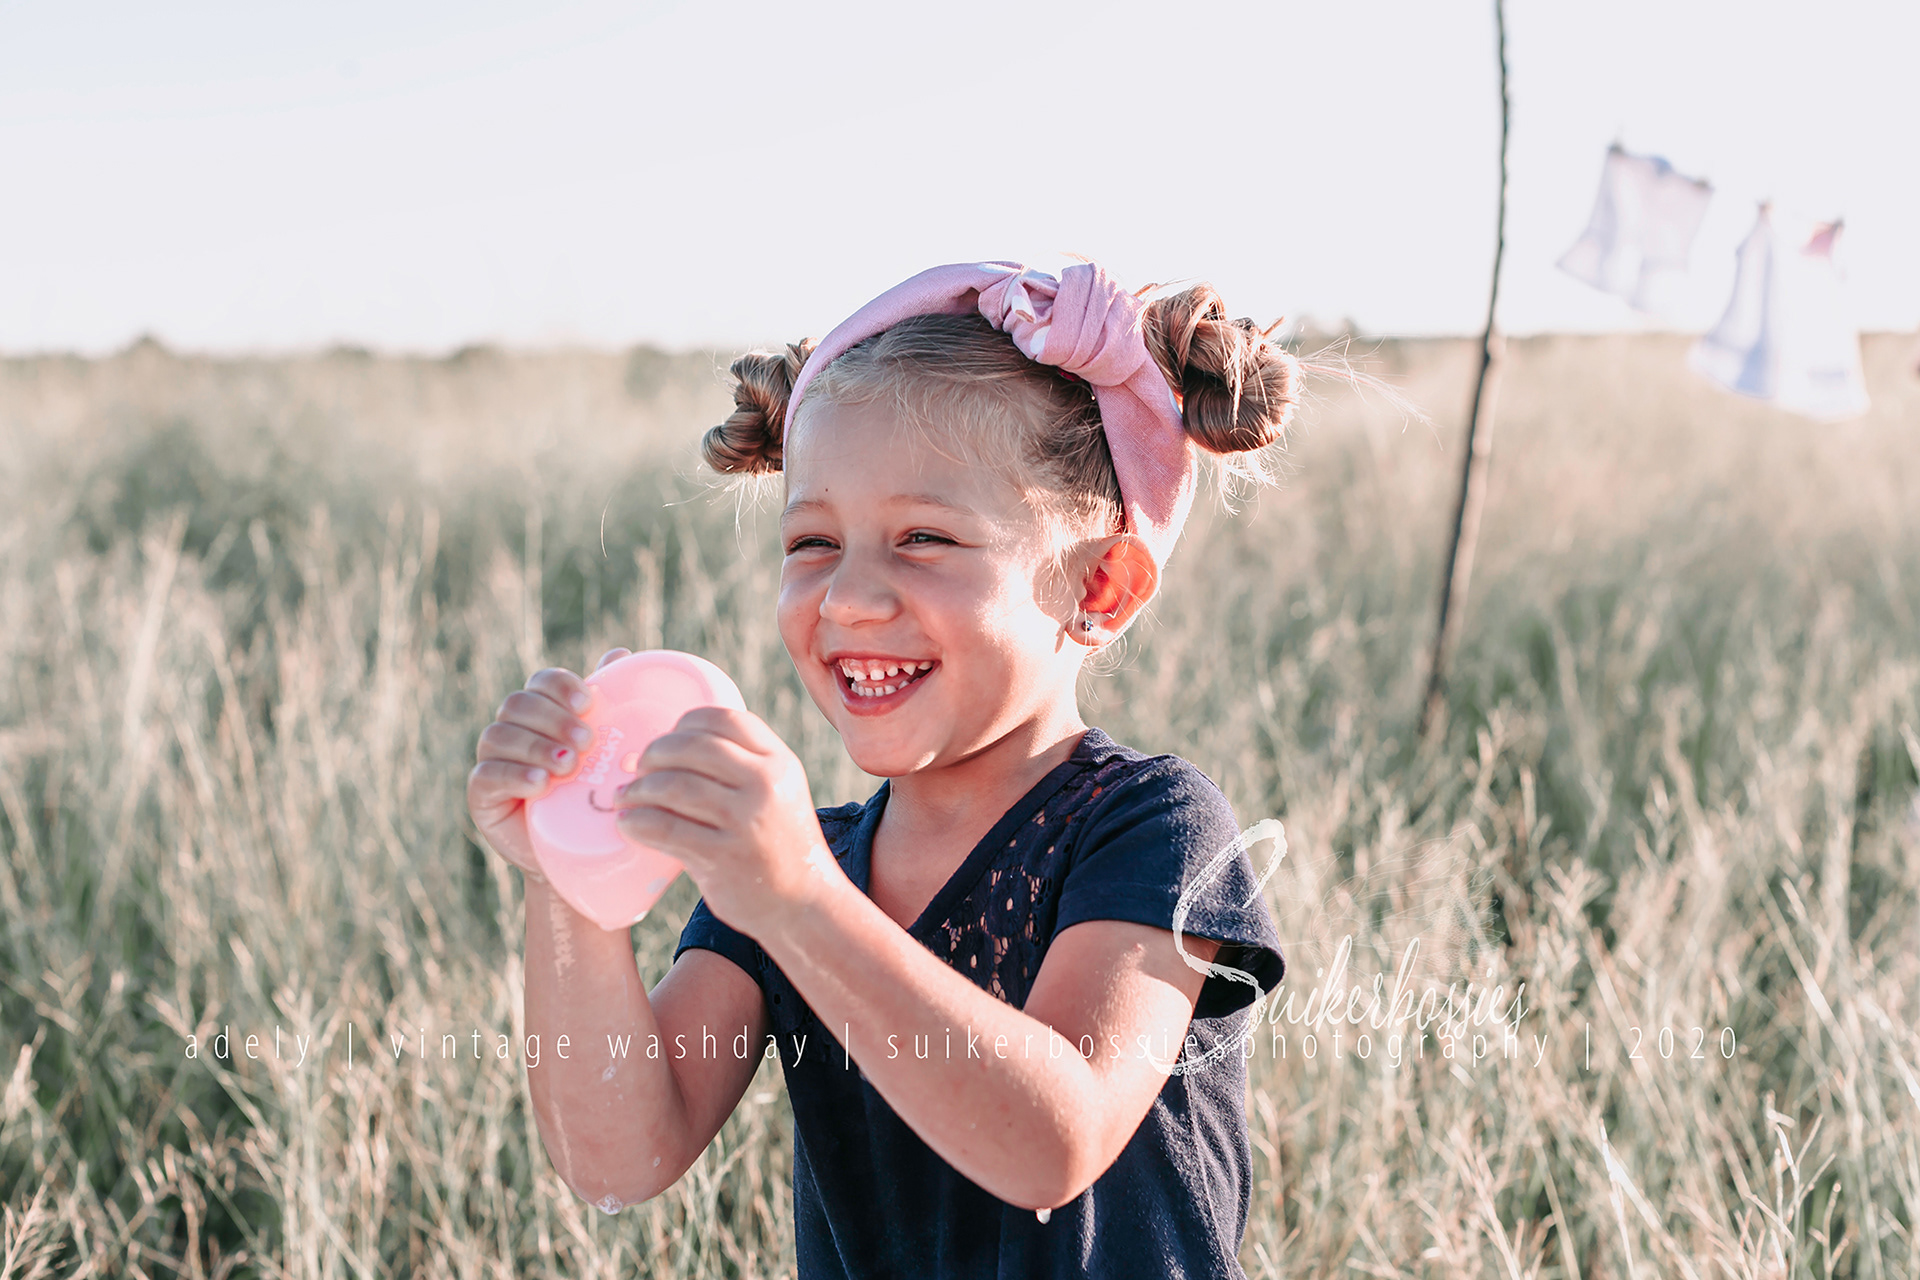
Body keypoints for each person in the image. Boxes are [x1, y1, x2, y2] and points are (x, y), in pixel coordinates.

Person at [467, 260, 1293, 1278]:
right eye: (812, 540)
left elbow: (1054, 1142)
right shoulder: (793, 861)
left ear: (1104, 583)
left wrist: (800, 899)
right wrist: (571, 874)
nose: (851, 596)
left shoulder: (1150, 825)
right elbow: (621, 1154)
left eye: (924, 538)